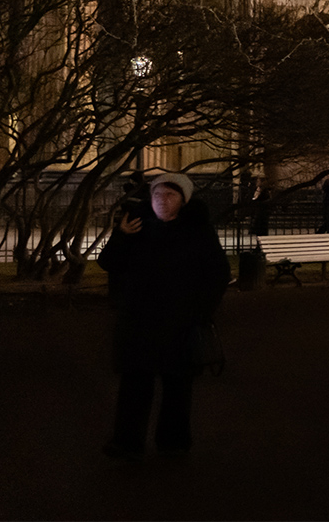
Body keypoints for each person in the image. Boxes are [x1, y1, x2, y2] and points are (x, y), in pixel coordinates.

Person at [99, 173, 230, 460]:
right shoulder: (136, 225)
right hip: (139, 322)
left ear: (183, 201)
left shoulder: (197, 231)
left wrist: (199, 310)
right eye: (157, 195)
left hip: (179, 323)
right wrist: (121, 236)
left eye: (170, 196)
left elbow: (218, 274)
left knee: (177, 388)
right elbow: (108, 263)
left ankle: (173, 443)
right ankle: (127, 442)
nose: (161, 200)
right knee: (134, 385)